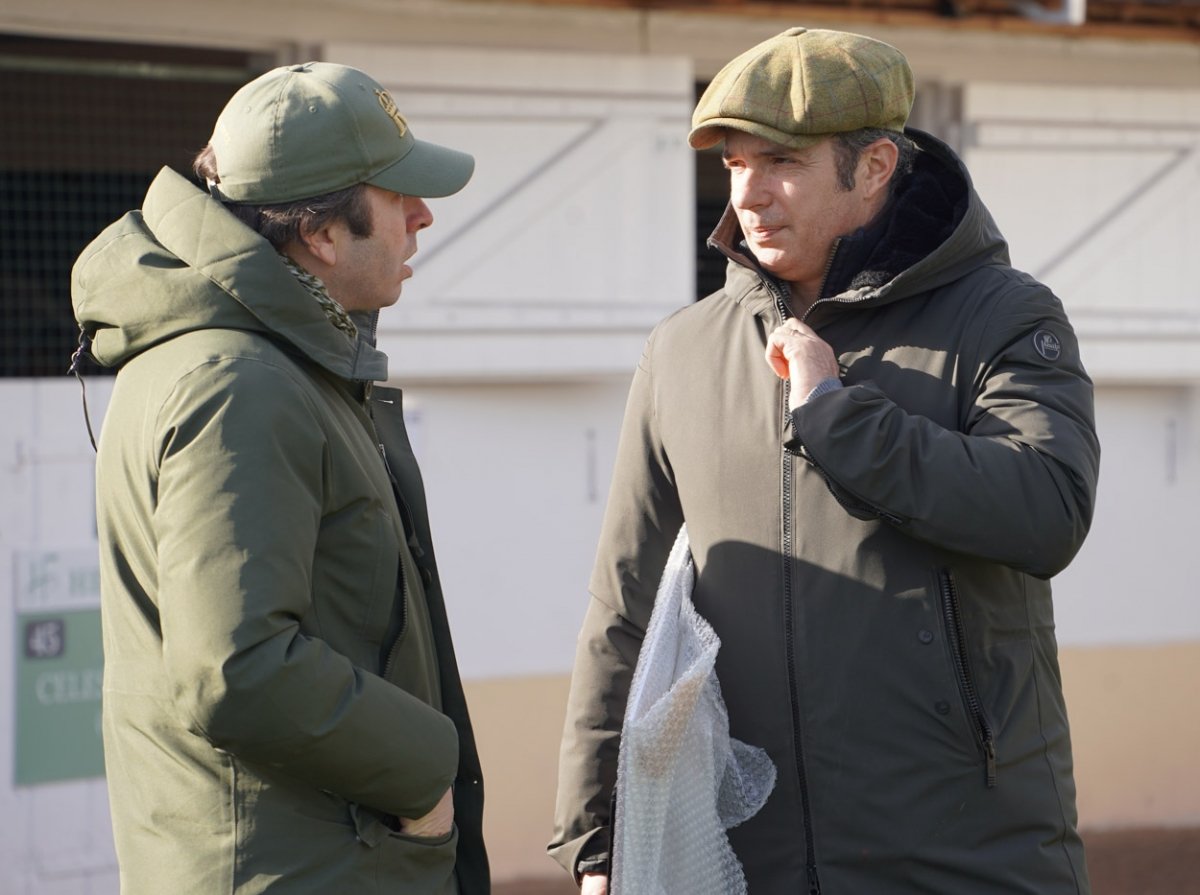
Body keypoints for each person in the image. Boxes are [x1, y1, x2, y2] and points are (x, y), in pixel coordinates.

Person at [549, 26, 1100, 895]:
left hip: (967, 859)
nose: (748, 194)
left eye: (782, 162)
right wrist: (597, 838)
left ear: (875, 166)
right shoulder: (680, 351)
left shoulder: (1006, 316)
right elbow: (625, 604)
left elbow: (1046, 509)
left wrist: (835, 413)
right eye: (735, 163)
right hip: (746, 862)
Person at [71, 62, 487, 894]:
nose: (422, 215)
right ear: (323, 234)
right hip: (301, 868)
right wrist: (426, 773)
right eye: (396, 194)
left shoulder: (258, 363)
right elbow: (239, 667)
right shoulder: (240, 381)